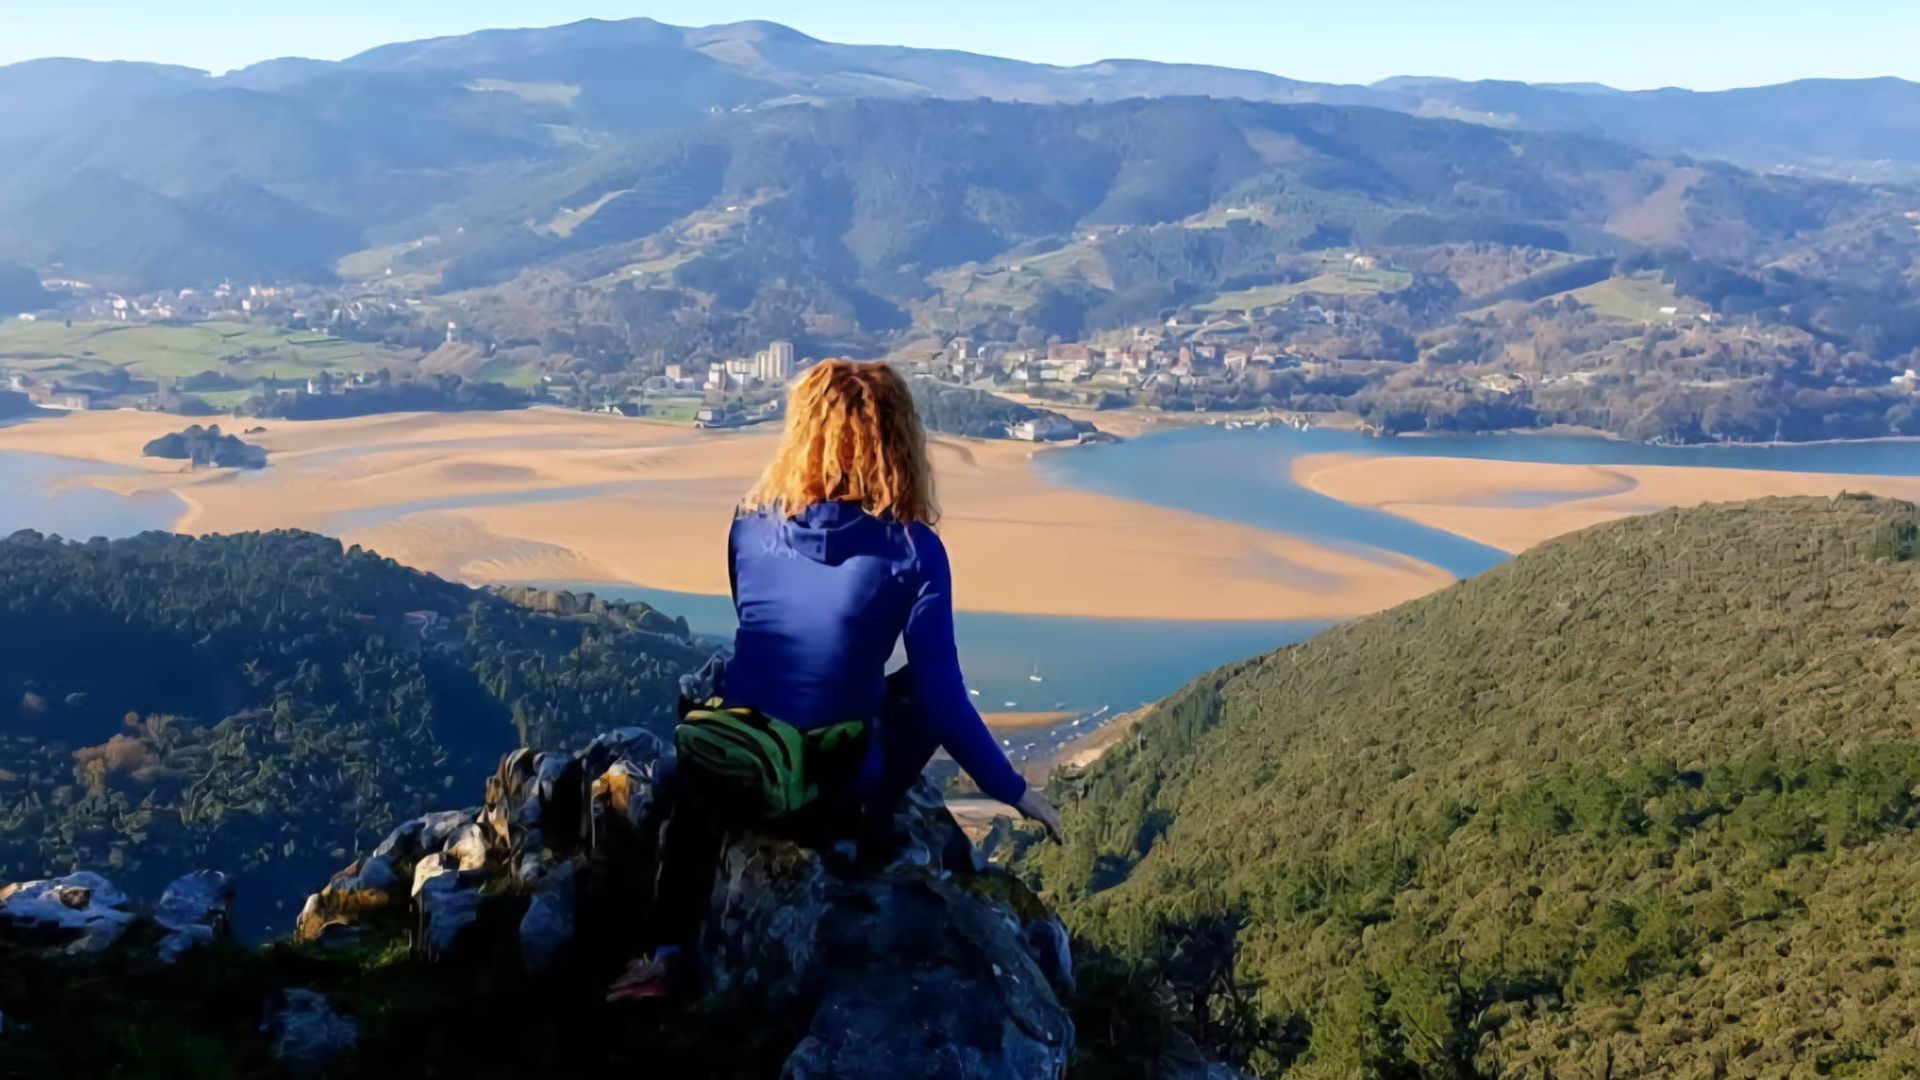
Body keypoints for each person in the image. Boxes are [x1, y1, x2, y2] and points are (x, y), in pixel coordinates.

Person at [609, 359, 1063, 1000]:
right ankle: (859, 838)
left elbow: (764, 628)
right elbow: (941, 700)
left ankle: (669, 952)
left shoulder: (748, 522)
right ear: (899, 441)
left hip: (730, 774)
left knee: (726, 715)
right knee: (916, 691)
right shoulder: (913, 551)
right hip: (827, 795)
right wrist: (1016, 791)